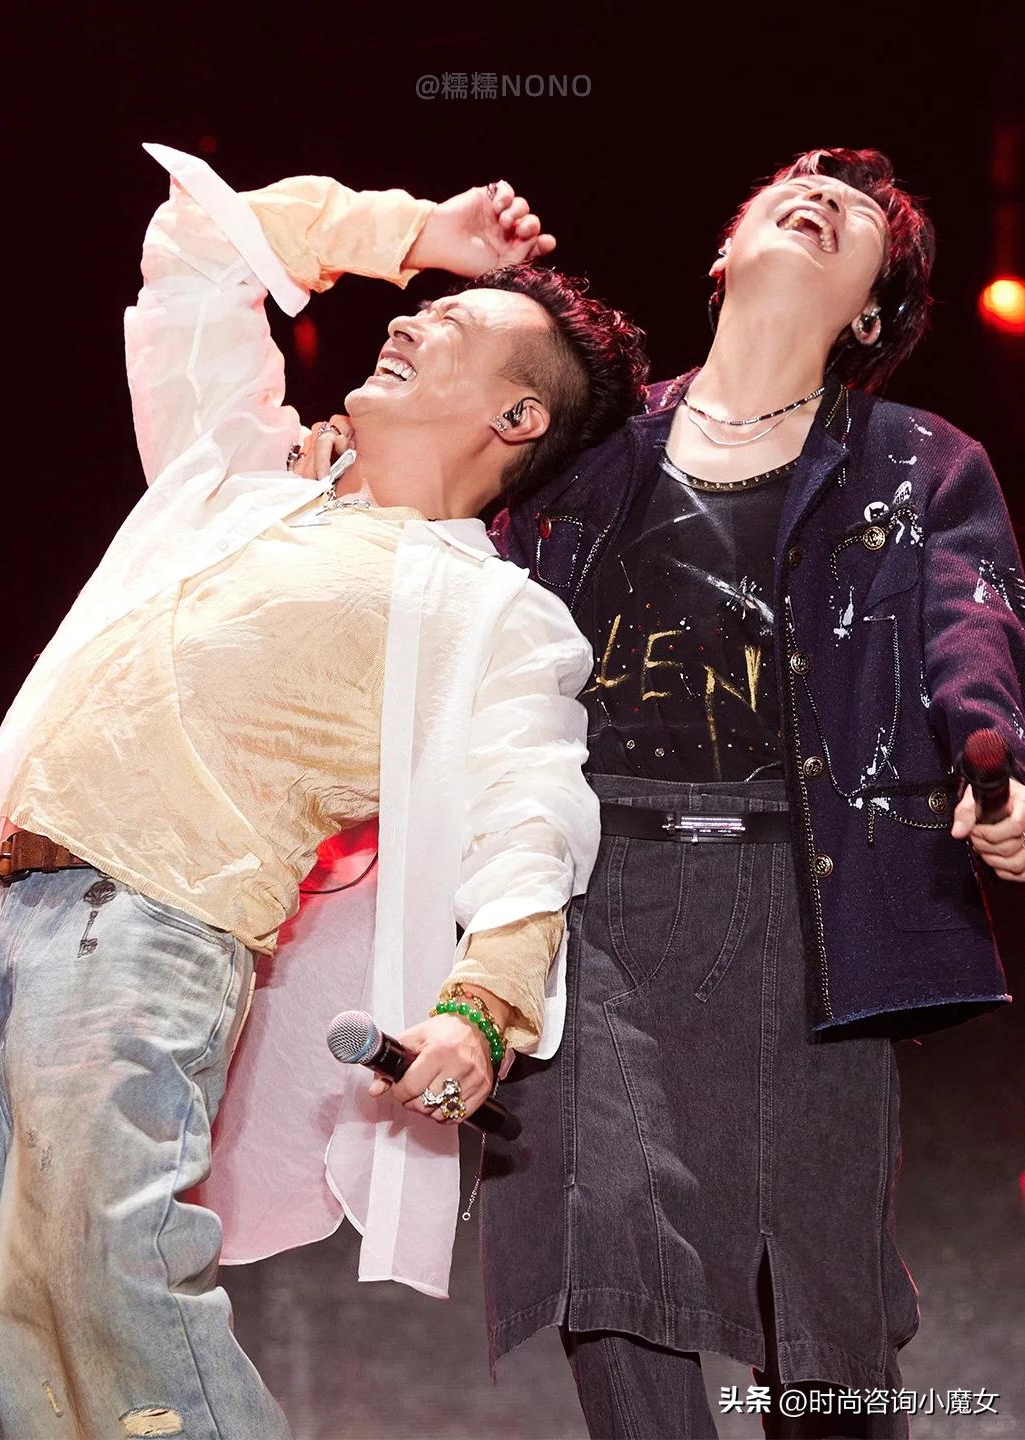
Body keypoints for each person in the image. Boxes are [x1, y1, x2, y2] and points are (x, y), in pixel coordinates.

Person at [0, 143, 649, 1439]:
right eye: (422, 309)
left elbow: (530, 819)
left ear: (517, 420)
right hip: (0, 922)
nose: (410, 321)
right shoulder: (240, 481)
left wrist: (482, 1012)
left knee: (113, 1294)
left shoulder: (480, 607)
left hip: (147, 938)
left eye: (453, 328)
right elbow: (201, 250)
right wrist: (417, 233)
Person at [482, 147, 1025, 1439]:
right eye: (800, 177)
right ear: (725, 252)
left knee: (821, 1329)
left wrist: (996, 757)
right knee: (608, 1253)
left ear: (874, 312)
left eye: (862, 210)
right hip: (597, 900)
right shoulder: (591, 447)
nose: (822, 189)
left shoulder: (921, 463)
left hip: (808, 906)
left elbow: (973, 624)